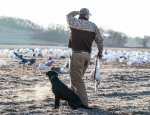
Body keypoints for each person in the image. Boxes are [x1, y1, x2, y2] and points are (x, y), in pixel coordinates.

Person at [66, 8, 103, 107]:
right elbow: (99, 40)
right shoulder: (93, 26)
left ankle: (83, 102)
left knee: (77, 79)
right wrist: (100, 52)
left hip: (77, 55)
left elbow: (68, 16)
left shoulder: (74, 21)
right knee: (76, 77)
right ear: (87, 15)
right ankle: (71, 99)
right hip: (87, 56)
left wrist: (77, 12)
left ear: (81, 15)